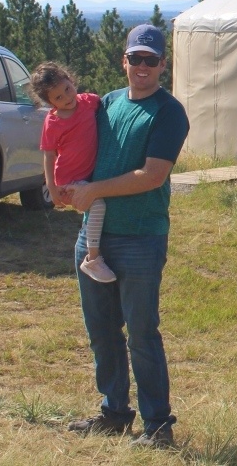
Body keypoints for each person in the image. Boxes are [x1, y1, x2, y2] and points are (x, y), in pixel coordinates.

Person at [64, 24, 190, 449]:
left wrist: (94, 190)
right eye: (135, 58)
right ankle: (114, 412)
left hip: (139, 237)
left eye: (150, 60)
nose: (142, 67)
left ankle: (158, 427)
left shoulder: (169, 113)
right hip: (94, 235)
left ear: (163, 66)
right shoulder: (109, 103)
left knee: (141, 333)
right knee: (101, 329)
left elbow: (152, 176)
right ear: (124, 60)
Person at [29, 62, 116, 283]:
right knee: (98, 205)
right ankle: (92, 259)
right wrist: (51, 188)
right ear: (50, 103)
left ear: (71, 80)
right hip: (69, 180)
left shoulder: (89, 102)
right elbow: (49, 156)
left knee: (98, 204)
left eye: (67, 89)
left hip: (90, 176)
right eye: (58, 97)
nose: (67, 97)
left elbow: (109, 108)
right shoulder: (53, 122)